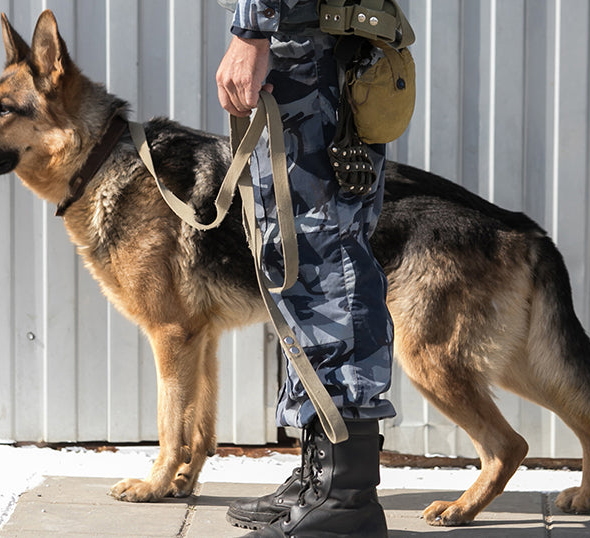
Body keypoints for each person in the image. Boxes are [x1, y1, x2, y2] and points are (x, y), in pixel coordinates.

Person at [215, 1, 402, 536]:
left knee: (327, 262)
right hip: (316, 43)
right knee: (302, 264)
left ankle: (345, 500)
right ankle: (319, 478)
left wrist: (253, 28)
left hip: (308, 45)